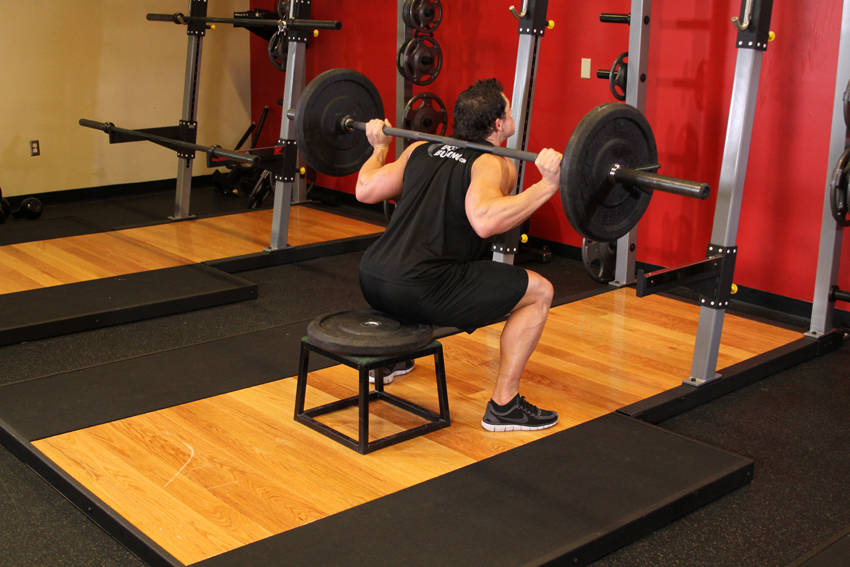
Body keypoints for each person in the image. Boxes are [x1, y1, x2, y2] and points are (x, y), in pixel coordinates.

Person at [355, 78, 562, 432]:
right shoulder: (489, 162)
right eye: (509, 111)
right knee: (539, 292)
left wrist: (378, 147)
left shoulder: (422, 148)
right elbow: (484, 221)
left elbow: (364, 189)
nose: (512, 115)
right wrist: (548, 185)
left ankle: (392, 358)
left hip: (373, 278)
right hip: (421, 287)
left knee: (426, 265)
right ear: (499, 125)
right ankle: (504, 406)